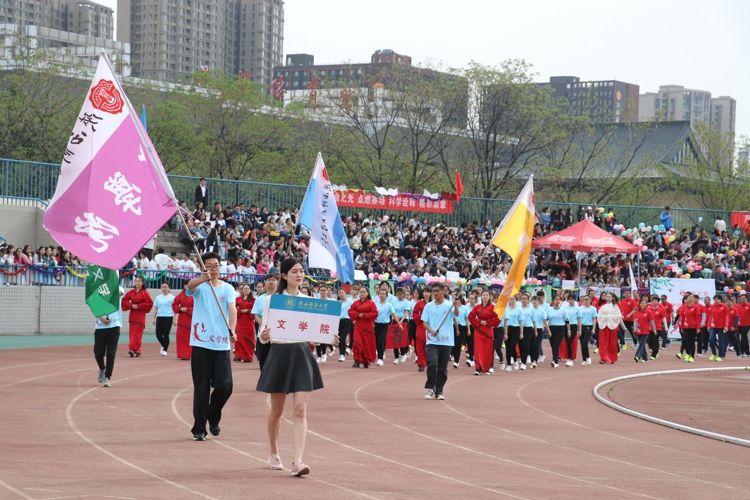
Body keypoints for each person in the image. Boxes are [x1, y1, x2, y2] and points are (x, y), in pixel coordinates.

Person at [256, 258, 336, 477]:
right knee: (277, 410)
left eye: (301, 271)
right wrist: (264, 336)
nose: (299, 275)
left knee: (300, 410)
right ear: (284, 275)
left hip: (301, 354)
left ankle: (298, 461)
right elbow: (264, 332)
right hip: (279, 354)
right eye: (294, 271)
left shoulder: (308, 301)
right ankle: (274, 453)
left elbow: (314, 336)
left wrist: (330, 338)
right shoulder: (272, 300)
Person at [185, 252, 238, 441]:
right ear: (202, 268)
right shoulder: (199, 287)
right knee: (201, 388)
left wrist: (232, 329)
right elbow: (189, 287)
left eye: (215, 266)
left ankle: (213, 415)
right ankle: (199, 429)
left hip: (221, 344)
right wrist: (202, 278)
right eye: (209, 266)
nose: (213, 269)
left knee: (225, 385)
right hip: (201, 343)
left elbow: (232, 309)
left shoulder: (228, 288)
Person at [422, 283, 459, 400]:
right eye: (433, 291)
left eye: (437, 291)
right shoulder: (428, 306)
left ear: (443, 291)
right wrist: (431, 331)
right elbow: (424, 322)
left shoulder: (449, 305)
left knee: (442, 367)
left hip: (446, 341)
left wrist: (455, 306)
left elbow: (456, 314)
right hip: (432, 340)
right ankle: (430, 387)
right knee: (432, 363)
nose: (435, 293)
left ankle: (439, 391)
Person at [93, 287, 124, 387]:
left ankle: (107, 377)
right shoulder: (98, 289)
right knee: (98, 353)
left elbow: (120, 292)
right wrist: (102, 319)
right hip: (100, 326)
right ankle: (102, 368)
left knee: (111, 353)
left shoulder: (118, 288)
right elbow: (95, 306)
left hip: (114, 326)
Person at [121, 276, 154, 358]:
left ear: (142, 283)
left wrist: (138, 306)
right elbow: (124, 300)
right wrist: (131, 305)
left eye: (139, 281)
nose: (137, 283)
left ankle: (132, 349)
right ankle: (137, 350)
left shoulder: (145, 293)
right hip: (132, 315)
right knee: (132, 334)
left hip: (140, 316)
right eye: (136, 281)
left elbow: (149, 303)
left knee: (137, 334)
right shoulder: (131, 292)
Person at [252, 274, 278, 371]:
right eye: (269, 280)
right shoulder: (259, 299)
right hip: (263, 333)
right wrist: (264, 325)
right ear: (265, 283)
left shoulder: (281, 298)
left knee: (277, 361)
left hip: (278, 333)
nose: (271, 282)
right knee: (263, 360)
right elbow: (256, 315)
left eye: (273, 280)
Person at [349, 287, 378, 368]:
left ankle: (366, 361)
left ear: (367, 293)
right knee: (356, 342)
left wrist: (364, 315)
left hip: (368, 326)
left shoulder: (371, 303)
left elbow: (375, 313)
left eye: (364, 292)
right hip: (358, 325)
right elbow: (350, 311)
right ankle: (357, 360)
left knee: (367, 344)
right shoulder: (356, 303)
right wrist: (358, 315)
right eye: (361, 292)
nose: (362, 293)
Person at [597, 293, 628, 364]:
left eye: (609, 297)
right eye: (607, 297)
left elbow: (618, 316)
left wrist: (609, 317)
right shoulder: (603, 307)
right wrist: (605, 317)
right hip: (604, 327)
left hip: (612, 327)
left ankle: (612, 358)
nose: (607, 298)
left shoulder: (615, 307)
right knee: (603, 343)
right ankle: (604, 358)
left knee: (612, 343)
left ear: (613, 298)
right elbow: (599, 316)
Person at [374, 288, 400, 367]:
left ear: (386, 296)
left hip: (385, 325)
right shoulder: (375, 304)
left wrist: (399, 324)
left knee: (380, 341)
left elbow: (393, 315)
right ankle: (380, 355)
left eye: (383, 294)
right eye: (380, 294)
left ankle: (380, 359)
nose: (382, 295)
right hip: (376, 324)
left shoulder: (389, 305)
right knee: (377, 341)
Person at [545, 295, 570, 368]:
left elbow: (567, 321)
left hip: (560, 329)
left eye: (559, 299)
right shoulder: (549, 310)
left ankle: (554, 361)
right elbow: (546, 320)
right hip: (551, 328)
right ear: (553, 300)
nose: (557, 301)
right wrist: (547, 329)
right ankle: (555, 360)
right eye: (556, 299)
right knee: (553, 346)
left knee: (556, 345)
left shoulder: (563, 310)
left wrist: (569, 331)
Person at [172, 280, 194, 360]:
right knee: (181, 337)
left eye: (188, 285)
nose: (187, 286)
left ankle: (188, 354)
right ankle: (182, 354)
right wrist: (180, 309)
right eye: (185, 285)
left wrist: (188, 309)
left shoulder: (195, 295)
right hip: (182, 319)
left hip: (191, 319)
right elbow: (174, 304)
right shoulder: (180, 295)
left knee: (190, 338)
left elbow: (198, 307)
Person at [411, 287, 431, 372]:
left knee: (430, 346)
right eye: (425, 292)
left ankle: (430, 363)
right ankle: (421, 364)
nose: (426, 294)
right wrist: (421, 316)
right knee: (420, 345)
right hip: (421, 326)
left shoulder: (433, 304)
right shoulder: (419, 304)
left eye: (428, 292)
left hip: (431, 326)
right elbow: (414, 314)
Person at [152, 282, 175, 356]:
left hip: (168, 317)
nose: (164, 288)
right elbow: (155, 308)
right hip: (160, 317)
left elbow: (175, 309)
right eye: (162, 287)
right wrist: (153, 318)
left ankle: (165, 350)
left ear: (169, 288)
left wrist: (175, 319)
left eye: (165, 287)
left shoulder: (172, 298)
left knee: (166, 333)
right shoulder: (158, 297)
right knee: (158, 334)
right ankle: (163, 344)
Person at [234, 283, 256, 362]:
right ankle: (238, 355)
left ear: (250, 290)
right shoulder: (238, 299)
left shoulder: (253, 300)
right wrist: (240, 311)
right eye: (244, 289)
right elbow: (234, 309)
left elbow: (255, 311)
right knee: (238, 338)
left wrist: (247, 310)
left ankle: (247, 356)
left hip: (248, 321)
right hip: (240, 321)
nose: (245, 290)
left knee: (248, 339)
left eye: (247, 289)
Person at [502, 296, 523, 372]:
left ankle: (515, 361)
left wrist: (521, 333)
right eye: (510, 299)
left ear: (516, 300)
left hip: (515, 329)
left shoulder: (519, 310)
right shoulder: (505, 309)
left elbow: (521, 322)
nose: (512, 300)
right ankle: (508, 365)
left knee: (512, 346)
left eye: (513, 299)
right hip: (507, 329)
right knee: (507, 347)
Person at [633, 296, 657, 363]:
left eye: (644, 303)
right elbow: (635, 321)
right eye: (641, 303)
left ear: (646, 304)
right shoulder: (637, 312)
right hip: (638, 331)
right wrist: (635, 328)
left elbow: (652, 322)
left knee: (641, 344)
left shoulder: (648, 312)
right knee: (642, 345)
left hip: (645, 331)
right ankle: (645, 358)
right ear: (639, 304)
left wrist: (654, 330)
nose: (643, 304)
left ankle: (637, 356)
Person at [561, 294, 582, 367]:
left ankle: (571, 358)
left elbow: (579, 319)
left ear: (574, 300)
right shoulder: (565, 308)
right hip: (566, 326)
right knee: (567, 342)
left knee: (569, 342)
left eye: (572, 299)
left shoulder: (577, 309)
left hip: (573, 326)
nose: (570, 301)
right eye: (569, 299)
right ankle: (569, 357)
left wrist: (579, 330)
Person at [391, 288, 411, 364]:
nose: (399, 296)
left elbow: (406, 312)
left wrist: (401, 320)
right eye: (398, 294)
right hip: (395, 320)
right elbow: (391, 311)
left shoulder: (406, 302)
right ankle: (396, 357)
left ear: (403, 294)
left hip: (403, 320)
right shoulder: (393, 301)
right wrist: (395, 317)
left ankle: (403, 354)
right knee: (395, 339)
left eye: (401, 294)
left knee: (402, 338)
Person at [708, 294, 730, 362]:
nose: (716, 301)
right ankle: (714, 353)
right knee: (711, 339)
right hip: (713, 326)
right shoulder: (713, 306)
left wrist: (726, 326)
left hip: (721, 327)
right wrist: (709, 325)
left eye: (717, 299)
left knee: (721, 341)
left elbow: (727, 316)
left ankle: (720, 356)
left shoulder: (724, 306)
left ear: (721, 300)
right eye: (715, 299)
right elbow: (711, 316)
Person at [578, 295, 597, 366]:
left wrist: (593, 329)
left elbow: (594, 319)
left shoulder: (593, 309)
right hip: (582, 326)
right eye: (585, 299)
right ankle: (584, 359)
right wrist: (579, 329)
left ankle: (588, 357)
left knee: (584, 343)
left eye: (587, 299)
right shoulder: (580, 308)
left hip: (589, 327)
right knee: (582, 344)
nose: (586, 301)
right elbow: (579, 319)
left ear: (590, 300)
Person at [336, 288, 354, 362]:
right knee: (340, 338)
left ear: (345, 293)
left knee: (343, 338)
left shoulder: (350, 302)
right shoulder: (337, 303)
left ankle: (344, 353)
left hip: (347, 321)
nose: (341, 294)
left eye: (342, 292)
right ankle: (341, 354)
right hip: (339, 321)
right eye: (339, 293)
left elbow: (353, 311)